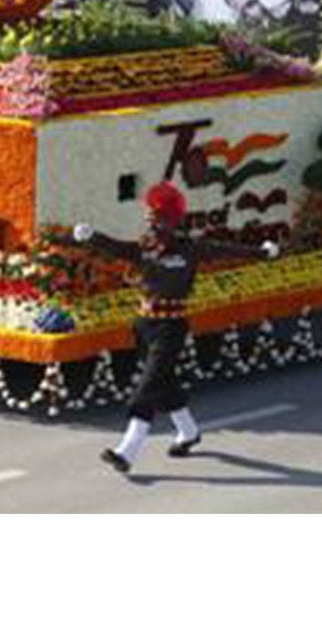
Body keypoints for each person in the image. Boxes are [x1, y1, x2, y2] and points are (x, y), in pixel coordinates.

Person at [74, 183, 280, 475]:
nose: (153, 226)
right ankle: (188, 433)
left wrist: (262, 252)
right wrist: (91, 236)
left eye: (158, 220)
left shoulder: (191, 249)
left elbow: (227, 250)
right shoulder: (144, 247)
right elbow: (118, 248)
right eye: (151, 220)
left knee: (147, 385)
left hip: (171, 327)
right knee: (163, 382)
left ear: (172, 221)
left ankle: (127, 451)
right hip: (144, 324)